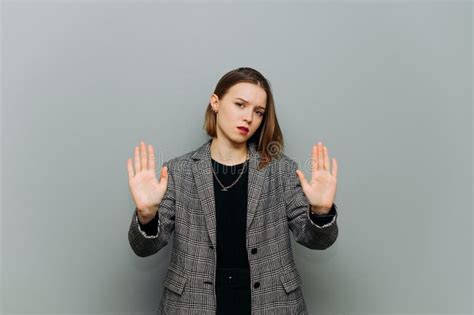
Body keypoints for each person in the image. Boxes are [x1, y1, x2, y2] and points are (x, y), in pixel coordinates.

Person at [127, 67, 339, 314]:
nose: (249, 117)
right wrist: (146, 215)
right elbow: (143, 248)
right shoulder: (177, 171)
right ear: (215, 103)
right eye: (240, 104)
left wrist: (321, 212)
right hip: (193, 305)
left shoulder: (281, 170)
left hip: (271, 304)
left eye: (258, 112)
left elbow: (316, 240)